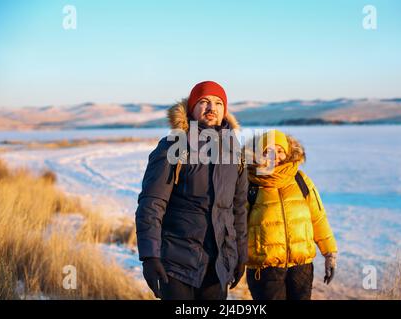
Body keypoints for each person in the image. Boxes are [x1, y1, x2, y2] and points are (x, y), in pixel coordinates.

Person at [135, 81, 248, 300]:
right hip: (176, 263)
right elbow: (152, 204)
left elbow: (238, 209)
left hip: (218, 266)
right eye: (203, 102)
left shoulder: (235, 152)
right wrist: (150, 256)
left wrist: (240, 254)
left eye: (218, 103)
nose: (211, 108)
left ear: (224, 110)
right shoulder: (173, 146)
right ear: (191, 108)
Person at [245, 129, 338, 300]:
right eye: (269, 151)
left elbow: (318, 218)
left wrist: (329, 253)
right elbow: (237, 225)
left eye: (280, 151)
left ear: (287, 153)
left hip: (301, 268)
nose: (275, 156)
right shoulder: (250, 183)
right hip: (265, 270)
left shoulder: (300, 180)